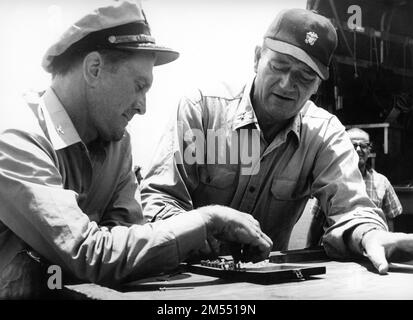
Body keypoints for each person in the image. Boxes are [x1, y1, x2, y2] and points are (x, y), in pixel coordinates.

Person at [0, 1, 271, 298]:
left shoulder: (117, 143)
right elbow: (90, 256)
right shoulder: (17, 137)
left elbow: (129, 248)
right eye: (139, 86)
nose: (143, 106)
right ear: (94, 69)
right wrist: (204, 220)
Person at [141, 8, 413, 275]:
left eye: (304, 77)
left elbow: (350, 209)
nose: (286, 85)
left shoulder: (324, 134)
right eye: (279, 66)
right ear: (257, 57)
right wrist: (198, 231)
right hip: (186, 281)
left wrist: (370, 235)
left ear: (318, 85)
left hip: (270, 287)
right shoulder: (203, 113)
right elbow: (160, 199)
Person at [348, 128, 402, 230]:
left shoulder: (382, 183)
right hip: (339, 243)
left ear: (369, 149)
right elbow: (316, 221)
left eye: (363, 146)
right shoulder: (332, 180)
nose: (358, 150)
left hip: (373, 242)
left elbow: (390, 220)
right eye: (353, 145)